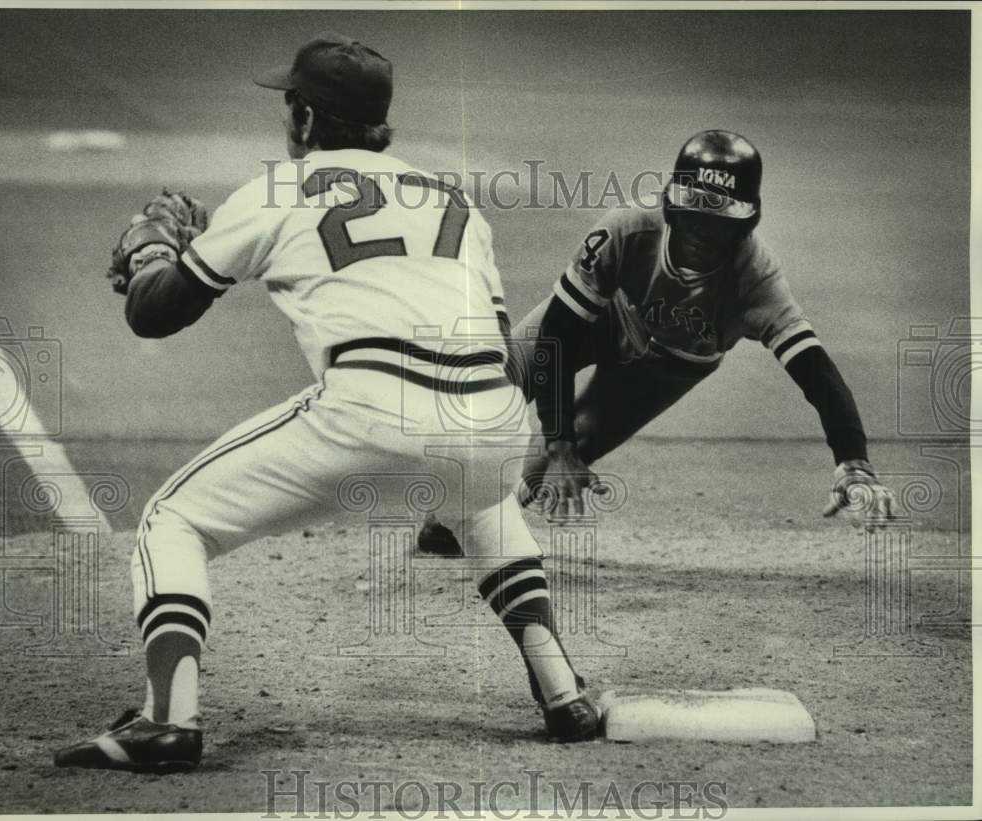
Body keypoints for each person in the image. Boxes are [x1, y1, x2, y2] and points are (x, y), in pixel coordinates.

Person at [54, 32, 598, 774]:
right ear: (382, 123)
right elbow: (503, 346)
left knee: (171, 519)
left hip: (367, 418)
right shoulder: (458, 204)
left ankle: (169, 718)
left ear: (306, 121)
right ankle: (563, 689)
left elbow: (152, 313)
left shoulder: (276, 191)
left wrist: (155, 252)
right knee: (472, 485)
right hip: (498, 425)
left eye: (290, 104)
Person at [419, 129, 895, 554]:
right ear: (671, 201)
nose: (702, 233)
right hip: (605, 316)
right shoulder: (627, 228)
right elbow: (557, 337)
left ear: (746, 222)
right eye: (694, 214)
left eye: (720, 220)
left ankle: (478, 516)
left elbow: (818, 375)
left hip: (669, 368)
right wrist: (560, 443)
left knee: (559, 454)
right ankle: (451, 498)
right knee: (493, 378)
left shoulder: (756, 278)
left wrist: (853, 460)